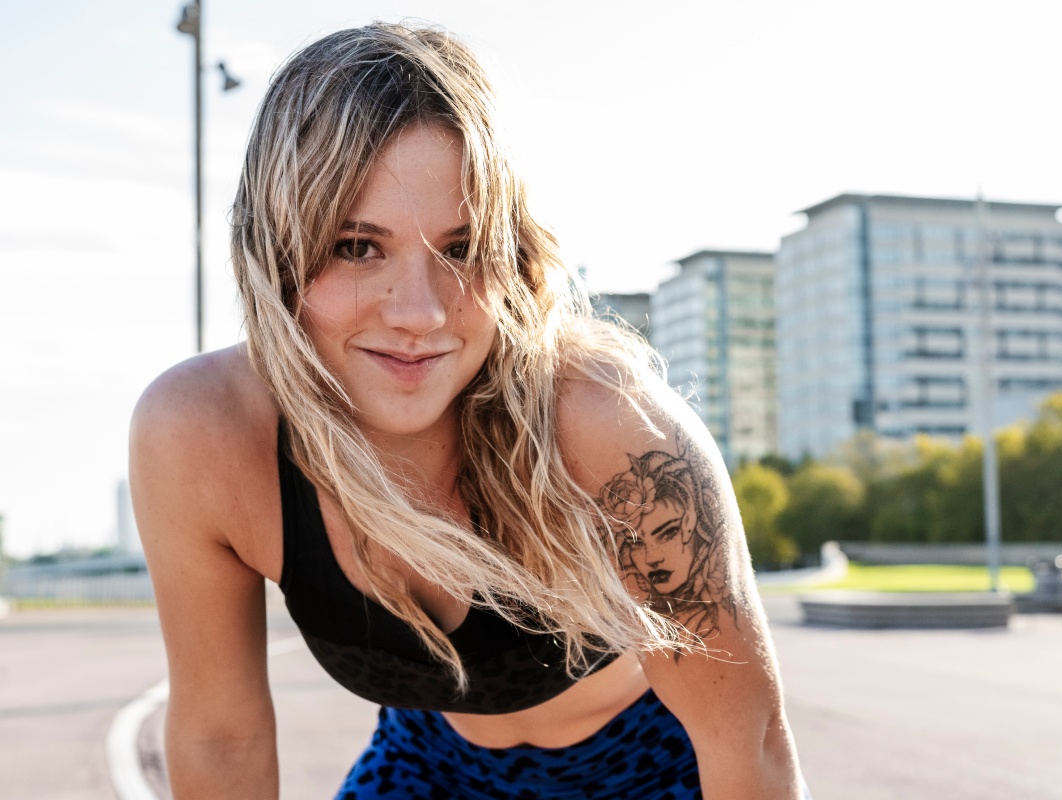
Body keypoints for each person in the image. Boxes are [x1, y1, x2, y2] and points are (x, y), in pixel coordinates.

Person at [131, 21, 810, 800]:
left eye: (461, 248)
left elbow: (748, 743)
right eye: (358, 245)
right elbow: (222, 738)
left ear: (514, 253)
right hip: (429, 763)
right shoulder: (200, 438)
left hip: (657, 764)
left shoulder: (612, 430)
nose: (420, 313)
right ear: (273, 250)